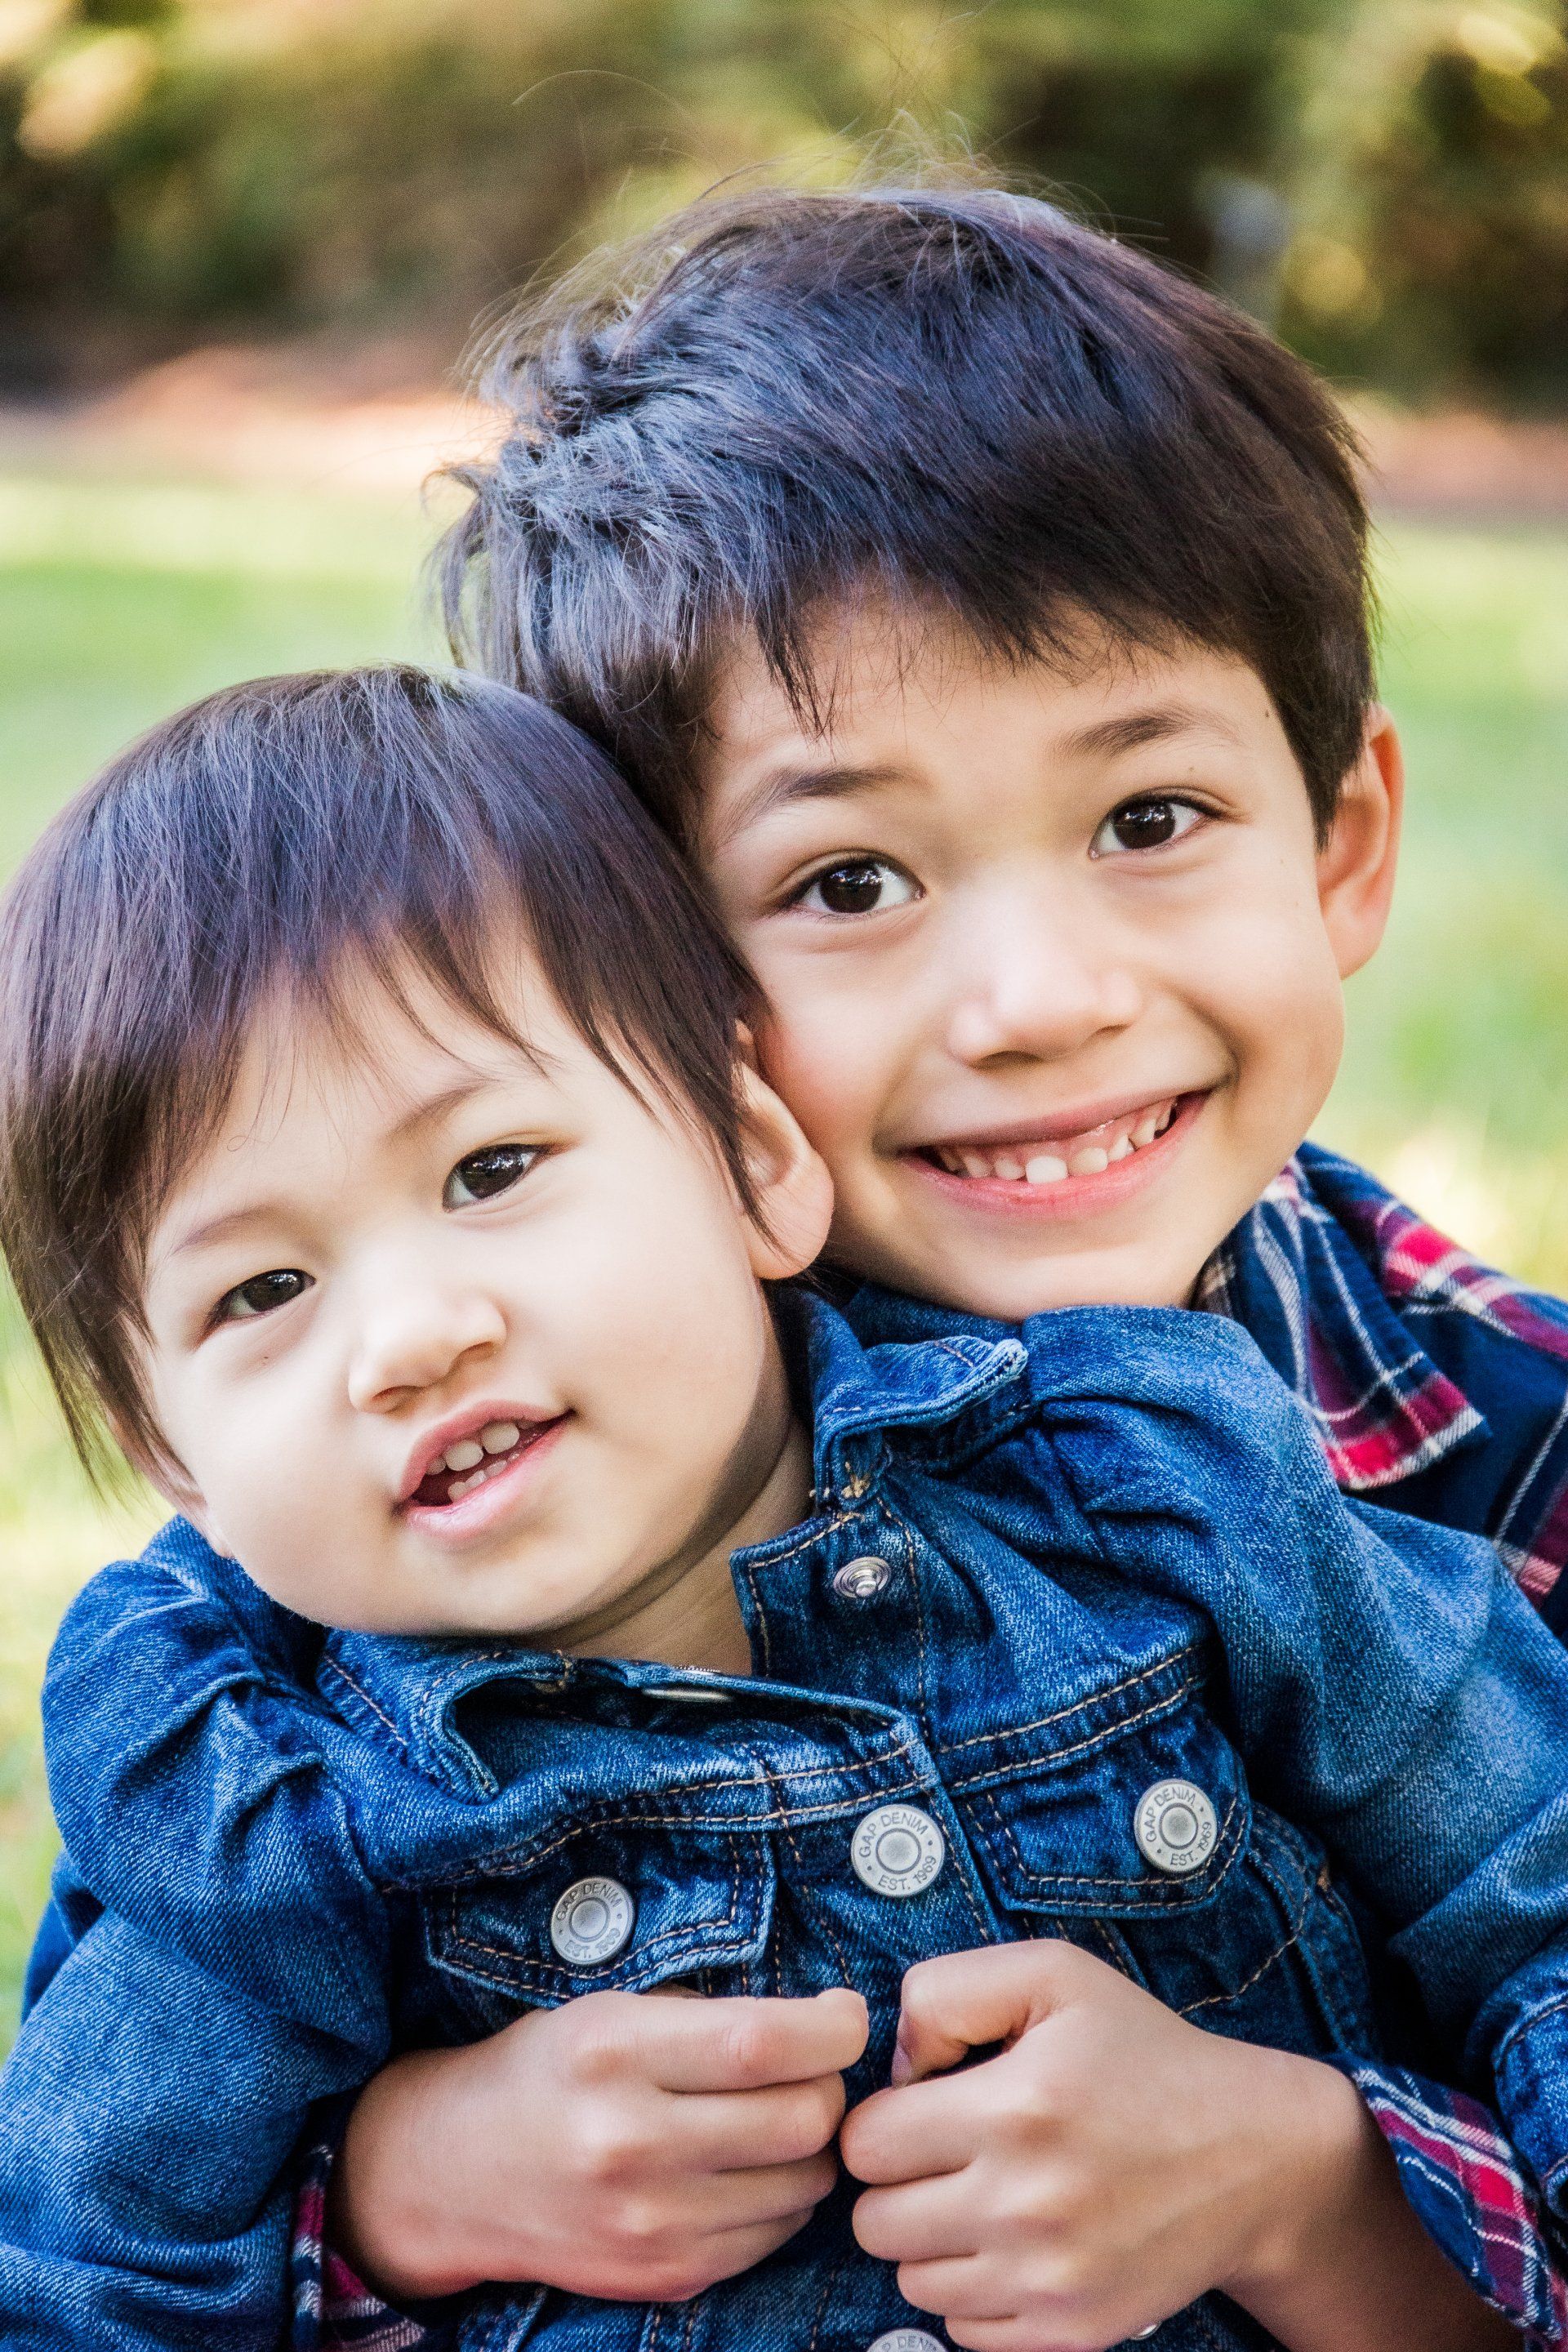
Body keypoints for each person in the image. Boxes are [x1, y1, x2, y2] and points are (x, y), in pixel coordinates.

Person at [314, 185, 1568, 2346]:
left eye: (1151, 819)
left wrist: (1308, 2197)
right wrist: (406, 2181)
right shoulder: (466, 1445)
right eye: (852, 874)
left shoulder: (1515, 1447)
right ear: (632, 976)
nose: (1036, 996)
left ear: (1342, 842)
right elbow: (121, 2143)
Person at [1, 664, 1565, 2352]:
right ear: (173, 1459)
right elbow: (90, 2284)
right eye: (263, 1290)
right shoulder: (261, 1805)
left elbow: (1531, 1884)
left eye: (493, 1172)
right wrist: (398, 2186)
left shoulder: (1138, 1486)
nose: (408, 1338)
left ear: (755, 1165)